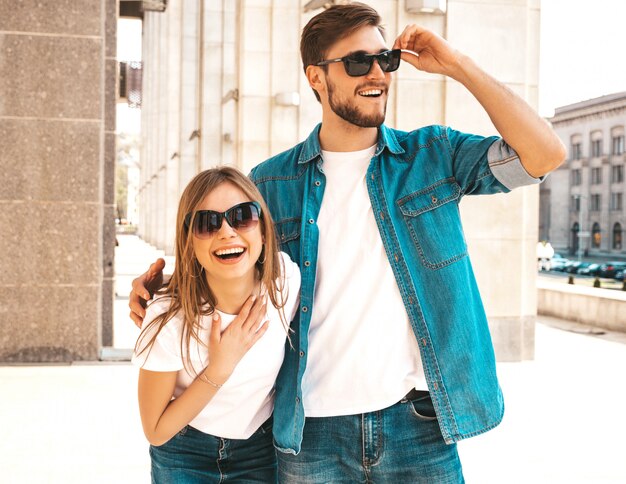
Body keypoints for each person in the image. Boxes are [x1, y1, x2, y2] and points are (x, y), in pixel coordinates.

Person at [130, 3, 566, 482]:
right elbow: (235, 263)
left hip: (417, 426)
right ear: (317, 78)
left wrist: (457, 66)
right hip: (310, 432)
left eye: (386, 59)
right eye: (358, 62)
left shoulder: (432, 156)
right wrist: (167, 292)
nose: (377, 72)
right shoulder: (271, 183)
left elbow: (544, 154)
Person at [132, 166, 300, 482]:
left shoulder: (285, 281)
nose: (226, 232)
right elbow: (155, 430)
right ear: (189, 243)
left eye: (243, 217)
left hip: (259, 450)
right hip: (185, 450)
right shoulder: (169, 317)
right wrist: (218, 371)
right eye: (207, 223)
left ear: (263, 231)